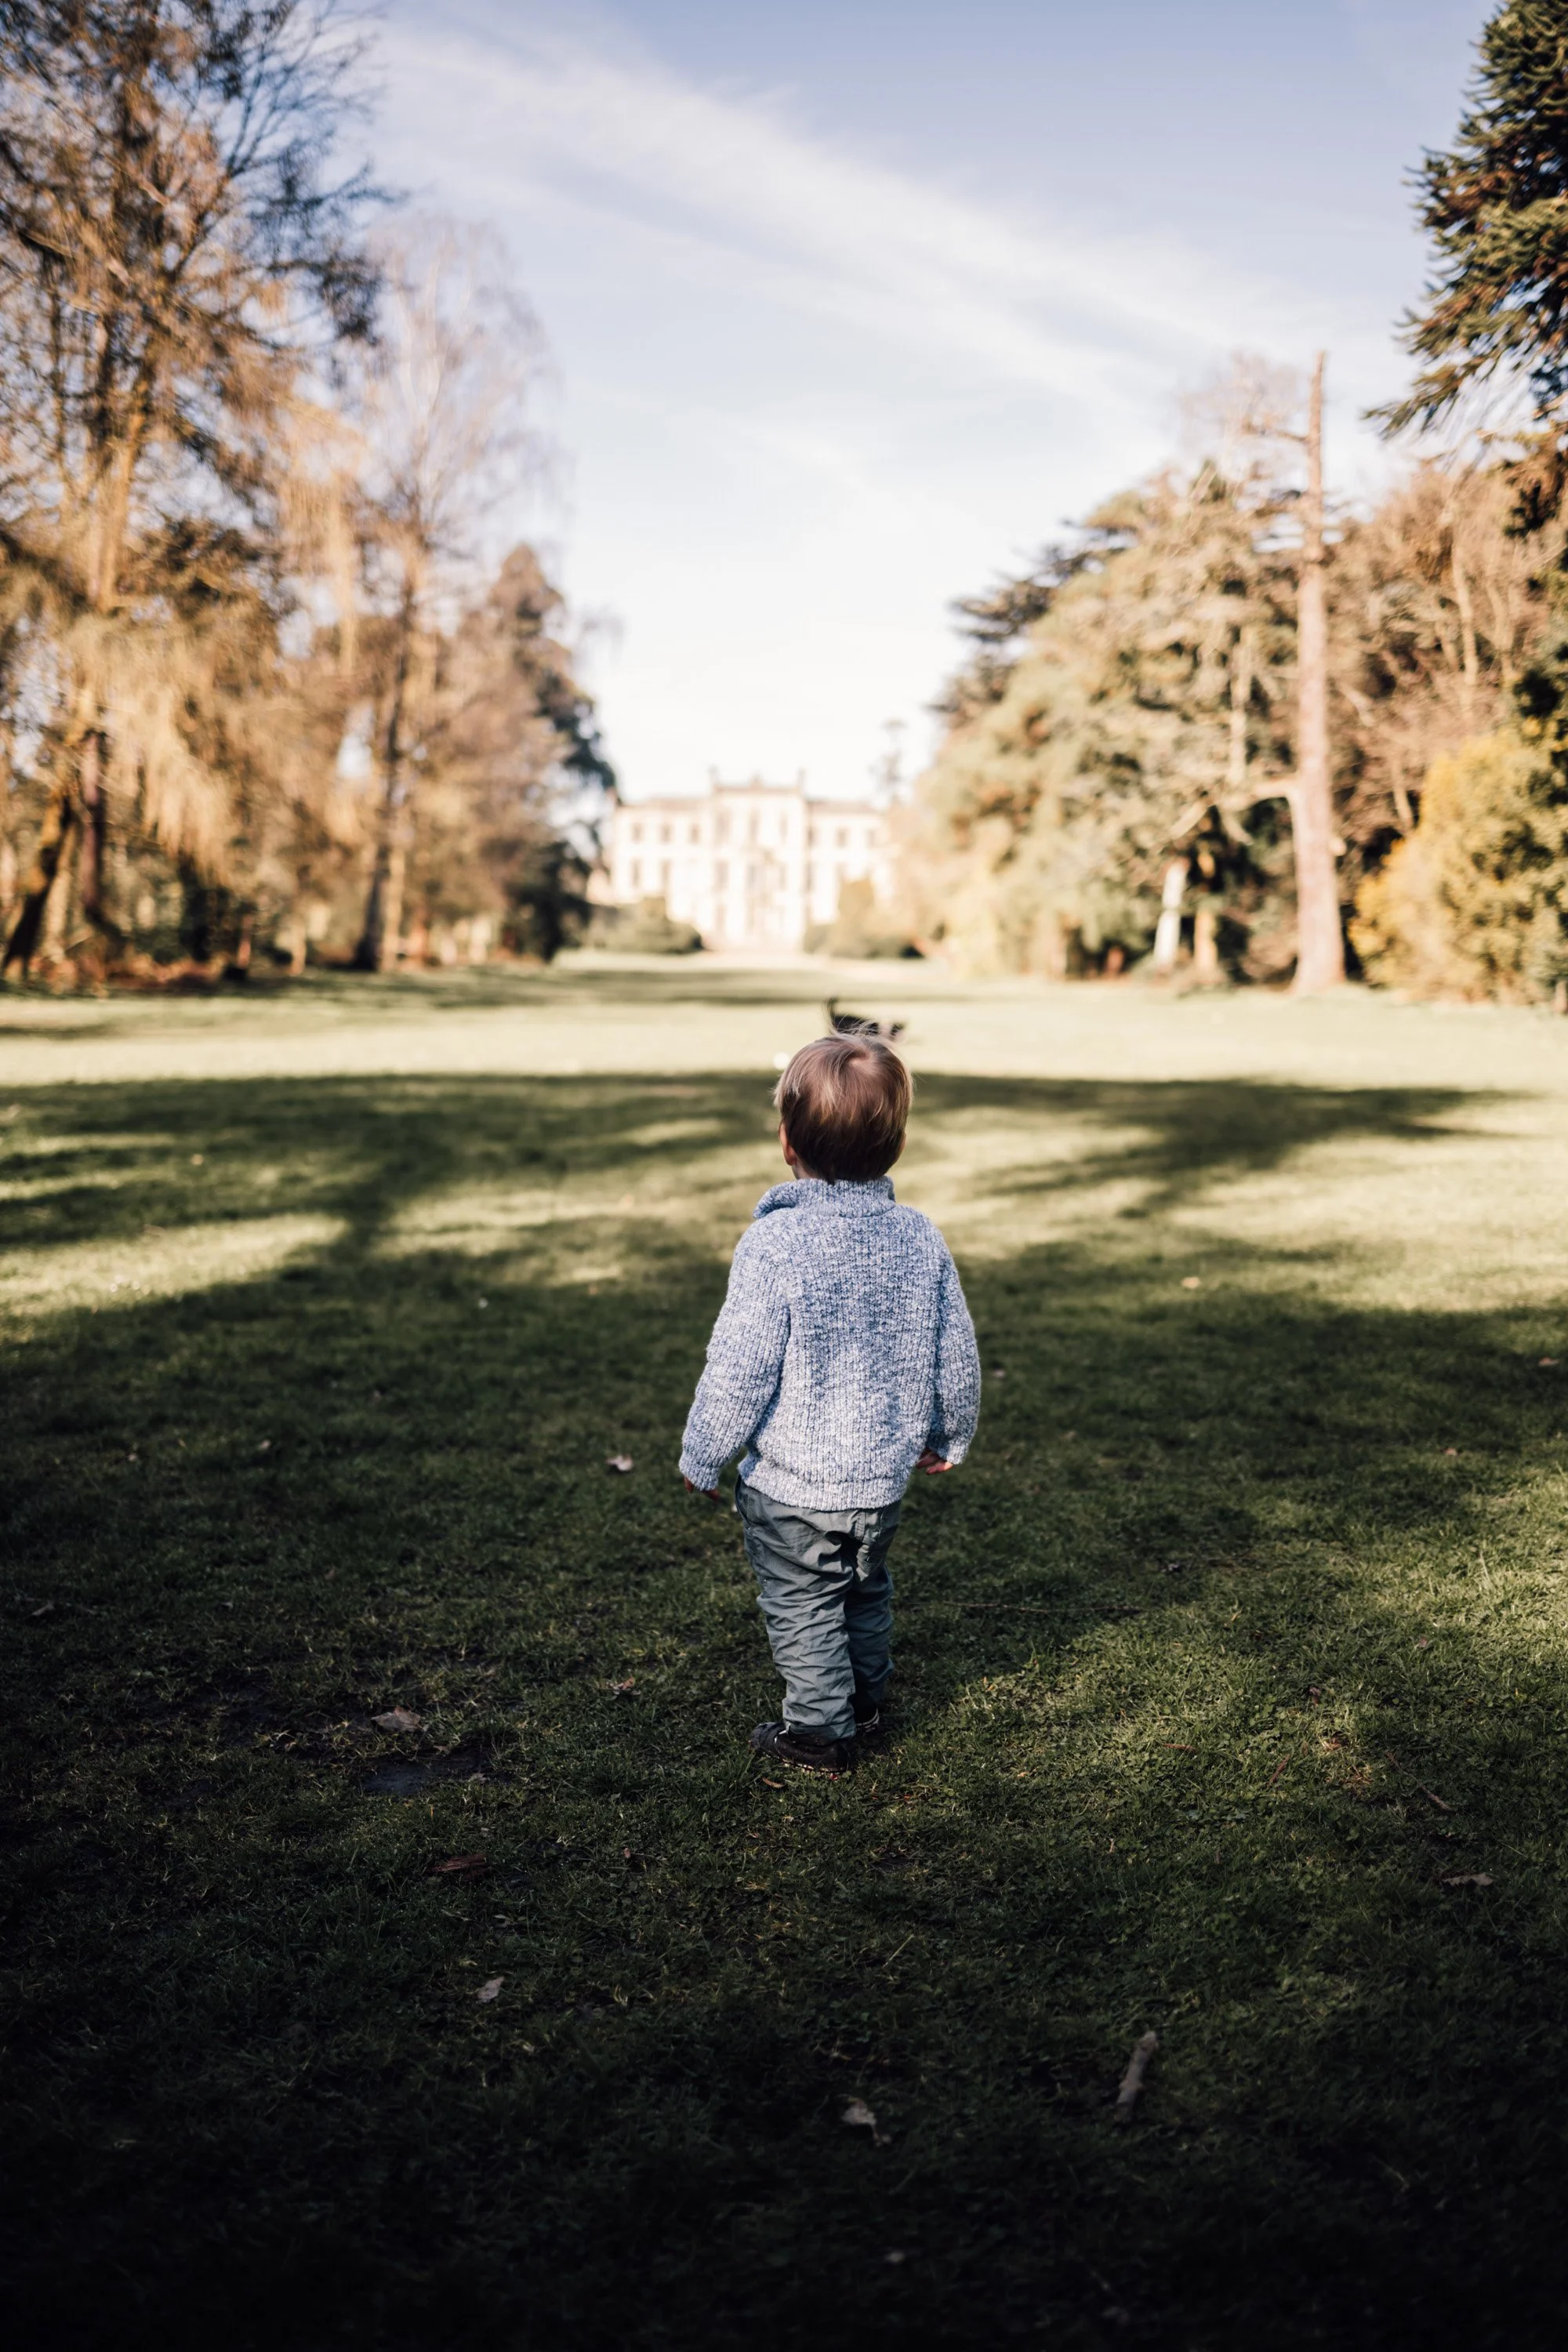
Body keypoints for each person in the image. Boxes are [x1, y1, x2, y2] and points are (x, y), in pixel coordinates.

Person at [679, 1033, 981, 1776]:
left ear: (787, 1142)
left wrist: (703, 1450)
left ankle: (819, 1732)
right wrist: (954, 1429)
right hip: (881, 1480)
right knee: (862, 1588)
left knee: (805, 1603)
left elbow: (739, 1367)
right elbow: (957, 1348)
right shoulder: (918, 1236)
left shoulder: (774, 1244)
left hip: (793, 1487)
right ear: (897, 1144)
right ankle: (867, 1701)